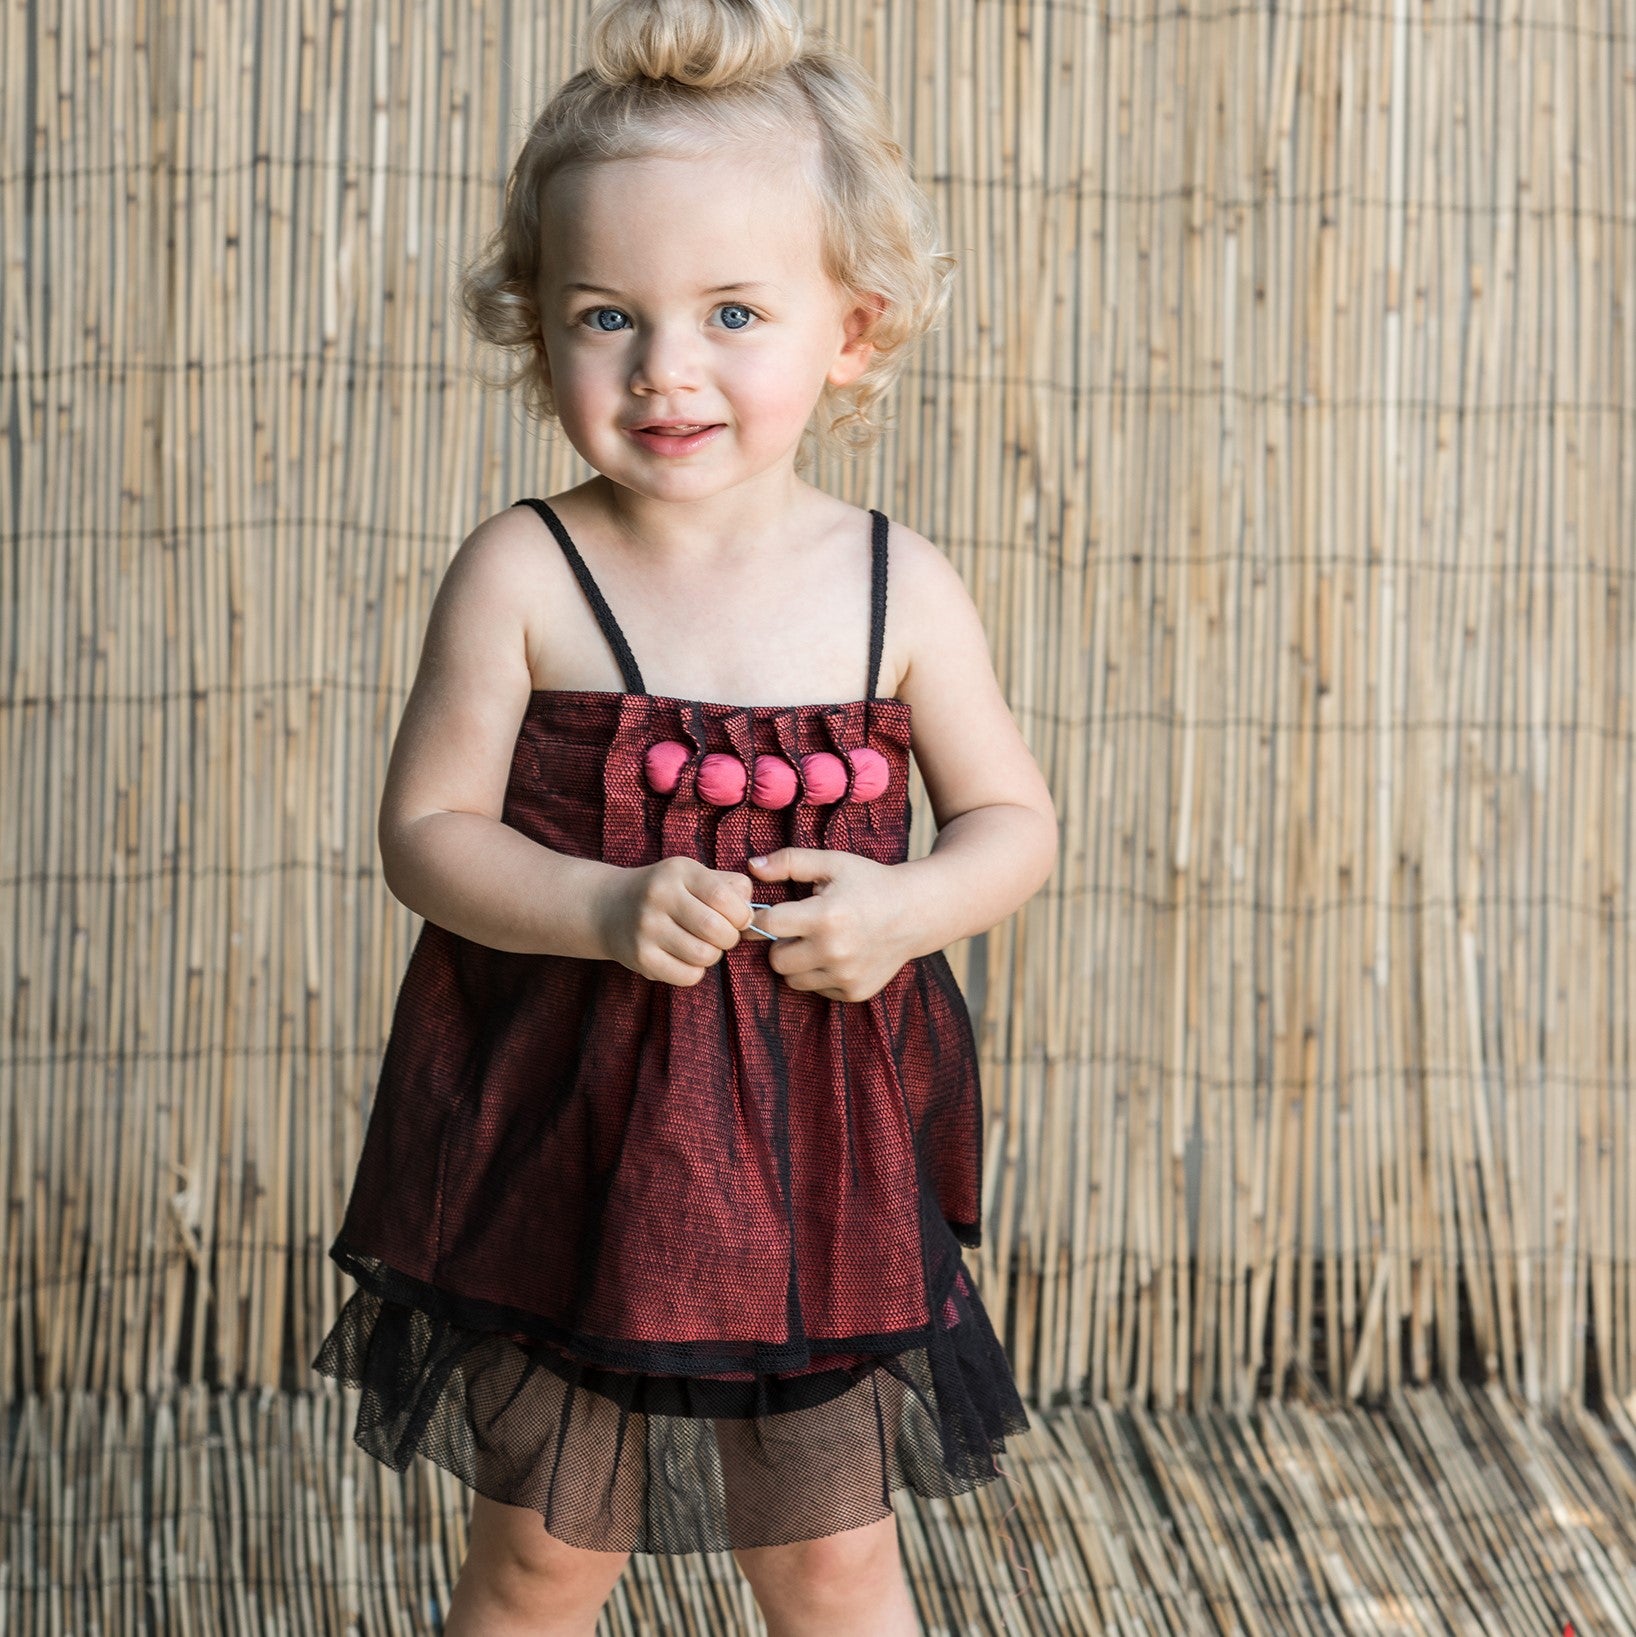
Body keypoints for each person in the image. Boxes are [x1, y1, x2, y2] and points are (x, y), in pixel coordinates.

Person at [310, 0, 1058, 1631]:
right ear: (537, 329)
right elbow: (425, 832)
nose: (666, 372)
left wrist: (904, 909)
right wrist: (593, 904)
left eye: (733, 311)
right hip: (571, 1145)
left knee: (836, 1560)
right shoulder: (526, 572)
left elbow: (1013, 819)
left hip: (815, 1169)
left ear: (850, 328)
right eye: (606, 316)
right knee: (536, 1562)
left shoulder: (894, 587)